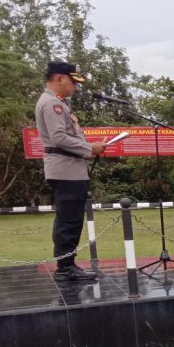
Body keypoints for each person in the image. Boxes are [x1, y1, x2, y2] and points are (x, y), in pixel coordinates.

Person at [35, 60, 106, 282]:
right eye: (73, 82)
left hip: (70, 169)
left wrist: (89, 147)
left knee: (72, 219)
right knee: (68, 221)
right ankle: (65, 268)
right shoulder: (51, 104)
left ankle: (68, 264)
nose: (75, 87)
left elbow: (65, 137)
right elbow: (58, 137)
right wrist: (89, 148)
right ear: (60, 78)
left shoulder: (58, 102)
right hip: (65, 170)